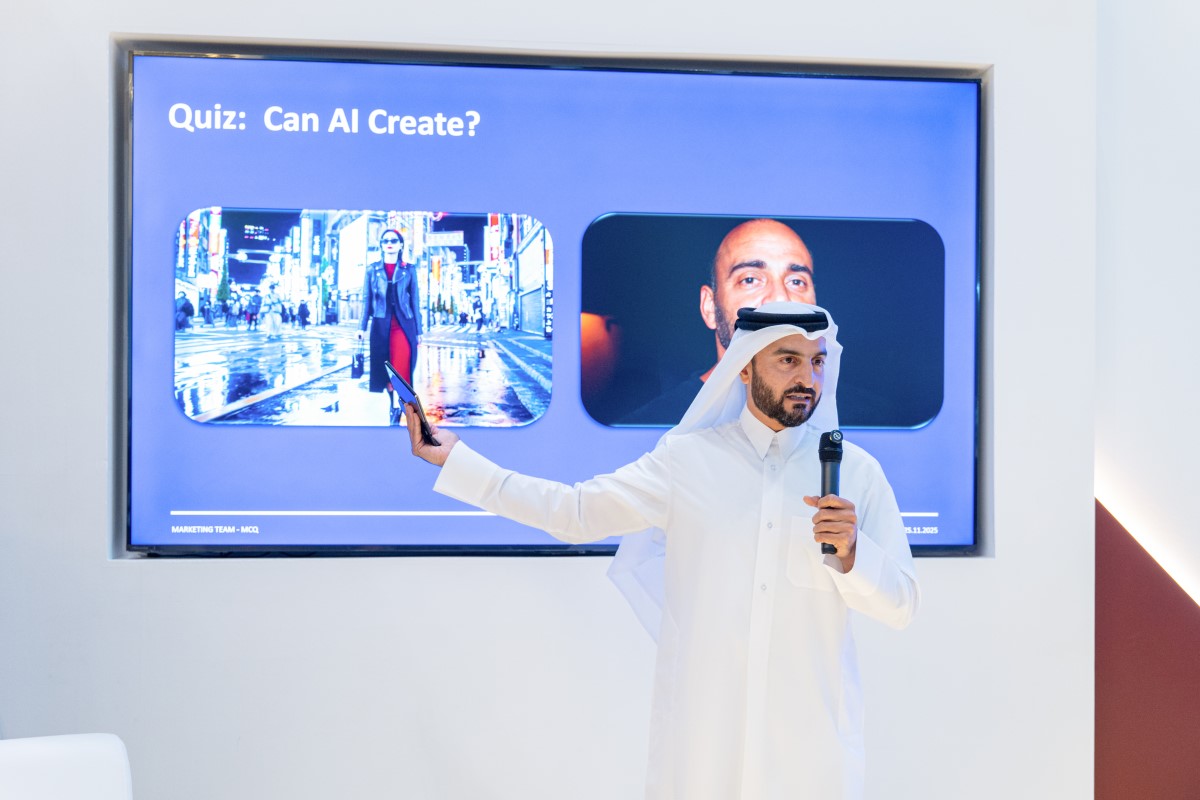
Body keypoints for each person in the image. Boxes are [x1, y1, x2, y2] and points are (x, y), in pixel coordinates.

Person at [405, 301, 918, 799]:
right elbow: (575, 512)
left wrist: (853, 555)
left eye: (817, 361)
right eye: (788, 360)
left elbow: (901, 606)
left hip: (808, 762)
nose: (807, 377)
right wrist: (459, 463)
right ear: (743, 368)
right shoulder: (687, 461)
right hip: (704, 753)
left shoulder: (857, 474)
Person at [620, 219, 816, 425]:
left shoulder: (839, 419)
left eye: (796, 282)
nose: (780, 298)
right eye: (750, 280)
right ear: (710, 307)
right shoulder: (652, 427)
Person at [359, 229, 421, 425]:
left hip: (404, 325)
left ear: (400, 245)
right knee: (384, 368)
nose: (389, 243)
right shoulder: (372, 269)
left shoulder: (409, 269)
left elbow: (415, 301)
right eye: (385, 240)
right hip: (380, 325)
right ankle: (393, 406)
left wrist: (419, 330)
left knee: (401, 366)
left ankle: (397, 406)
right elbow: (366, 300)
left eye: (394, 240)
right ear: (381, 245)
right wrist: (361, 327)